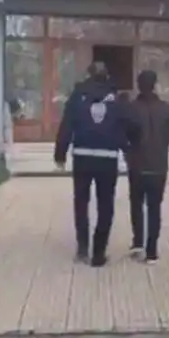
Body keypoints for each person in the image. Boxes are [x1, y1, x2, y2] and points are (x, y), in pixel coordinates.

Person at [54, 62, 134, 267]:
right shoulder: (117, 98)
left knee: (81, 202)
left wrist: (60, 153)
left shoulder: (77, 96)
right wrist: (128, 152)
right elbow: (124, 128)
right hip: (107, 158)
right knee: (106, 204)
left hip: (82, 156)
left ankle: (82, 249)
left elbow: (67, 125)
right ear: (106, 76)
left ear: (88, 75)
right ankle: (99, 253)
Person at [124, 70, 169, 264]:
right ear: (155, 85)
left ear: (138, 85)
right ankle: (152, 251)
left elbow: (123, 135)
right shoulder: (167, 110)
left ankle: (138, 242)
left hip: (137, 165)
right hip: (158, 166)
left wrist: (126, 151)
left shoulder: (131, 109)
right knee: (154, 207)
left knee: (136, 204)